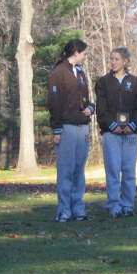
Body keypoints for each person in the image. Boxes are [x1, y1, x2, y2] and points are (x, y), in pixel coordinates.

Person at [48, 39, 95, 222]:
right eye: (84, 53)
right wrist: (57, 129)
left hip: (82, 126)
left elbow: (86, 98)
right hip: (66, 127)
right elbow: (54, 102)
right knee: (66, 170)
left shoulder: (81, 73)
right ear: (75, 52)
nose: (85, 56)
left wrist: (90, 108)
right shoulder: (58, 73)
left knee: (78, 170)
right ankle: (64, 210)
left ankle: (78, 208)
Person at [95, 47, 137, 218]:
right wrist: (110, 125)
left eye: (117, 59)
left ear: (125, 61)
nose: (114, 62)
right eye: (111, 59)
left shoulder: (134, 82)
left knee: (129, 170)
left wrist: (134, 124)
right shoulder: (103, 82)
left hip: (130, 132)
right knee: (113, 169)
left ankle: (128, 205)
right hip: (111, 133)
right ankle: (114, 205)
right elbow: (101, 108)